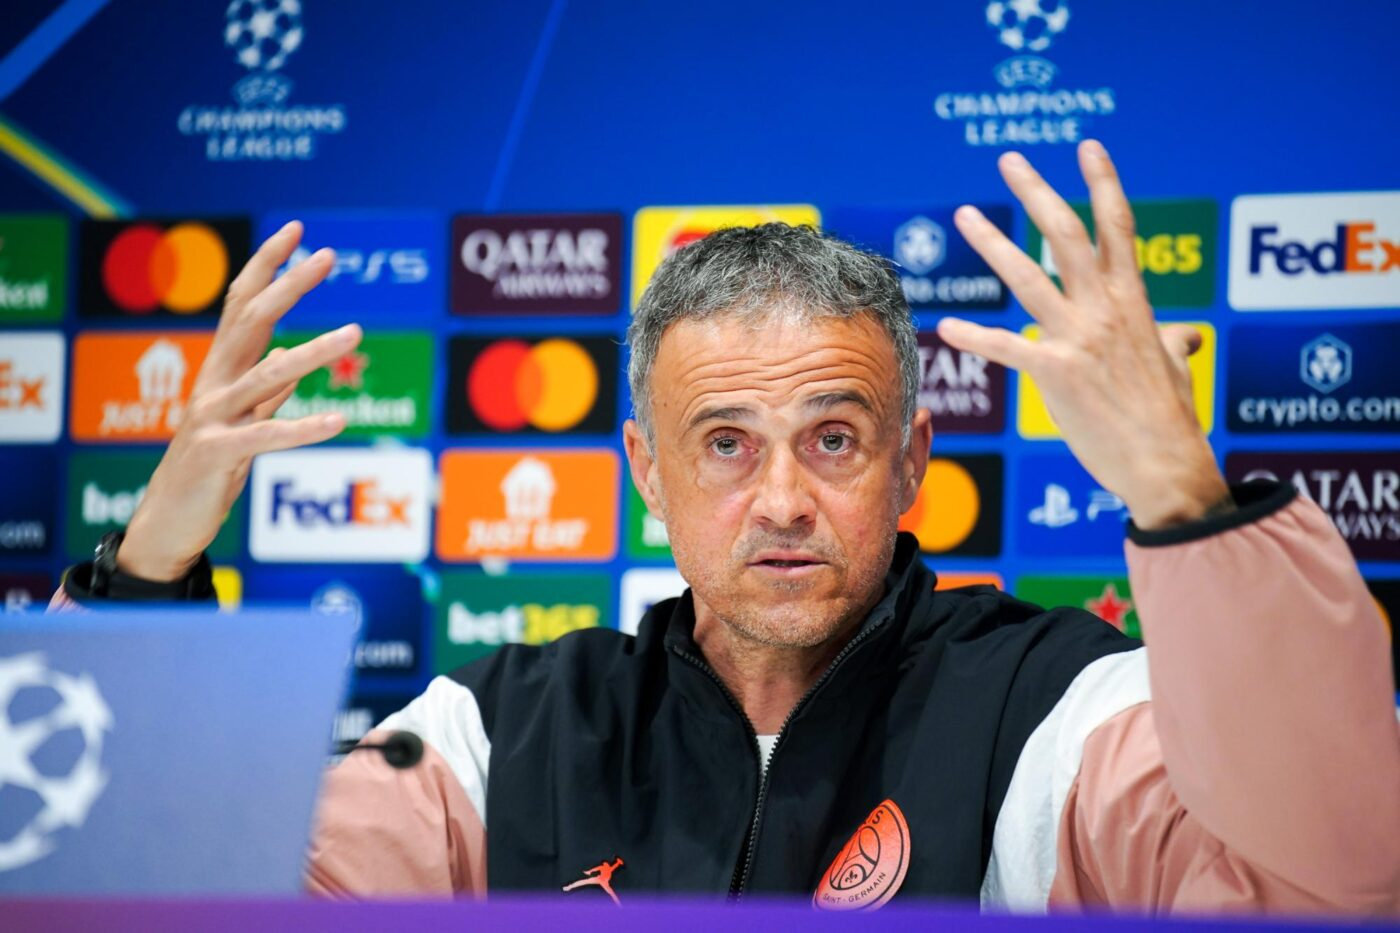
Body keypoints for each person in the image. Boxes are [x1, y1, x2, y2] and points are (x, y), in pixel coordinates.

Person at [56, 141, 1400, 913]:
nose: (783, 499)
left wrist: (1181, 492)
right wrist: (148, 566)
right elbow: (134, 900)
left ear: (913, 464)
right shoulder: (503, 730)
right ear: (645, 470)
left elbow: (1334, 879)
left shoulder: (1054, 708)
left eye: (834, 438)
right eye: (725, 444)